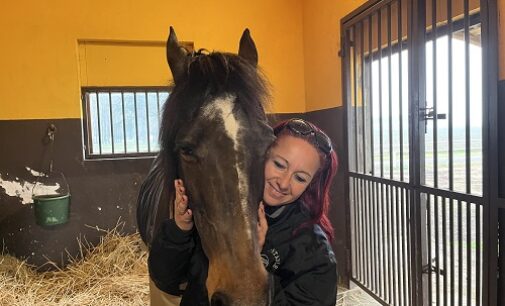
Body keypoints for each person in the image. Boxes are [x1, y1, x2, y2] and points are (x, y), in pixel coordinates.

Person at [148, 118, 339, 305]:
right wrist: (180, 231)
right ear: (260, 156)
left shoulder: (315, 253)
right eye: (279, 165)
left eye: (300, 178)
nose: (283, 183)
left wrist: (251, 258)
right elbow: (166, 280)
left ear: (310, 185)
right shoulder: (219, 208)